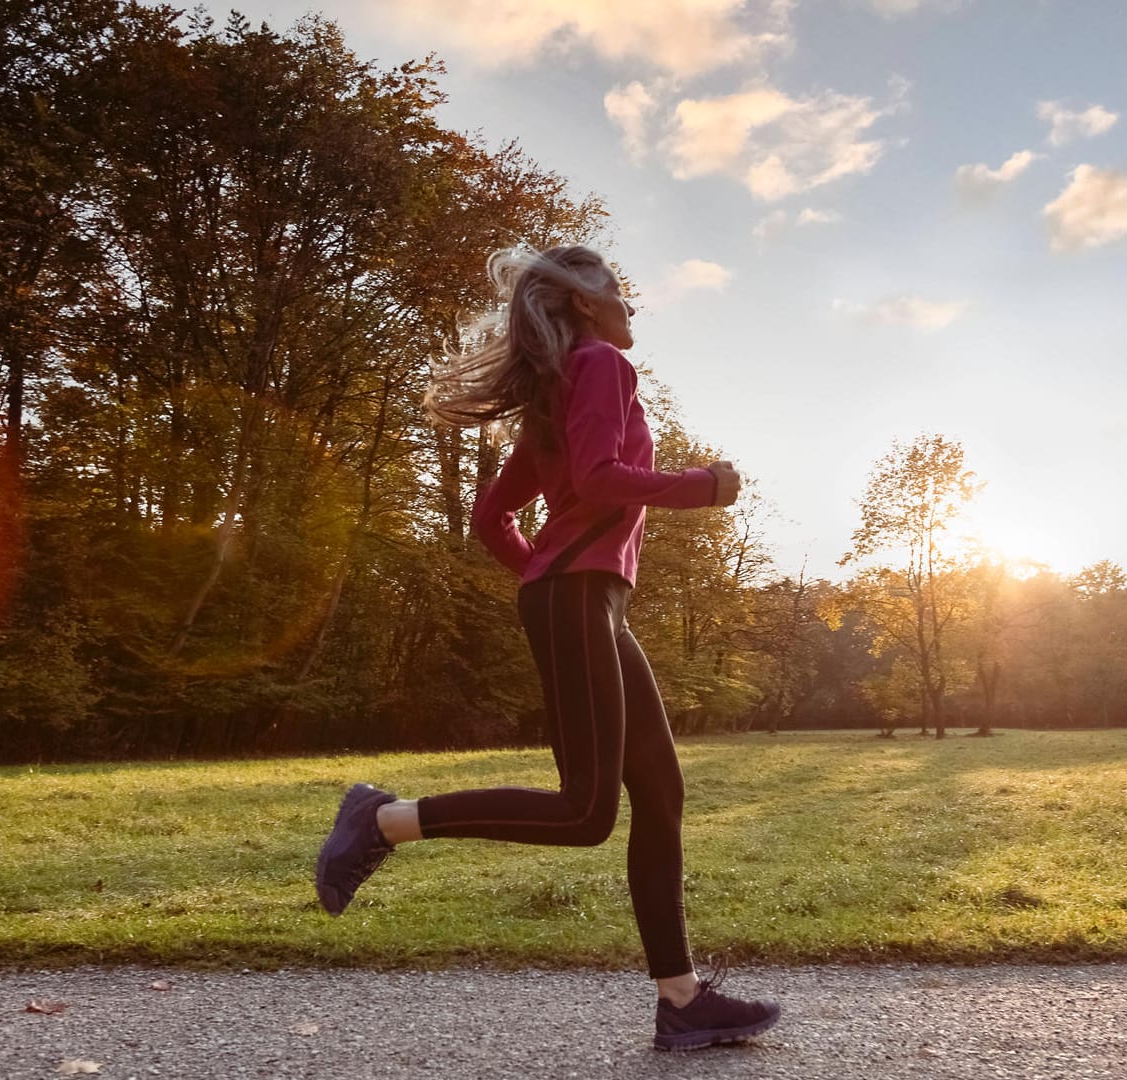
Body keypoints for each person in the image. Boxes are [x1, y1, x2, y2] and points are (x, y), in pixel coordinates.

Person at [314, 244, 780, 1052]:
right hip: (579, 598)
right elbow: (601, 481)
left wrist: (550, 575)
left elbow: (489, 519)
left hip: (589, 600)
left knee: (659, 794)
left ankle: (681, 999)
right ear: (585, 306)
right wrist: (699, 487)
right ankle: (383, 821)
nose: (632, 305)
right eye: (620, 293)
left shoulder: (557, 402)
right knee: (584, 810)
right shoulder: (602, 366)